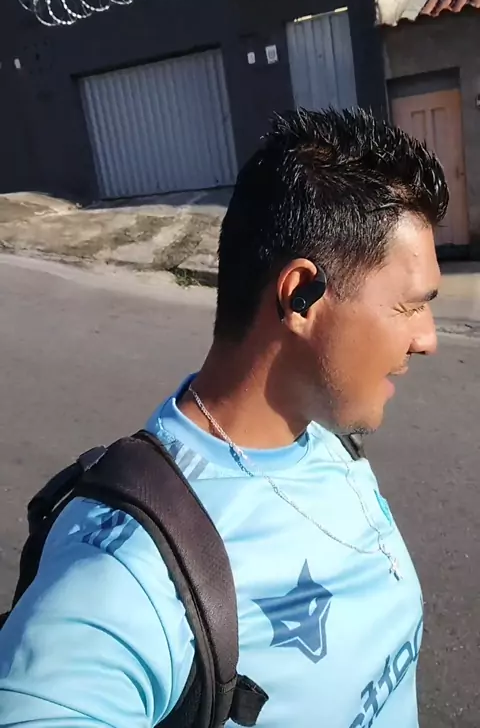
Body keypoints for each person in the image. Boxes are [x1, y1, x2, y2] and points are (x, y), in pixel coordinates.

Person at [0, 108, 448, 727]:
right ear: (301, 296)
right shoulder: (130, 572)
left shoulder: (325, 436)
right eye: (408, 306)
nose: (428, 339)